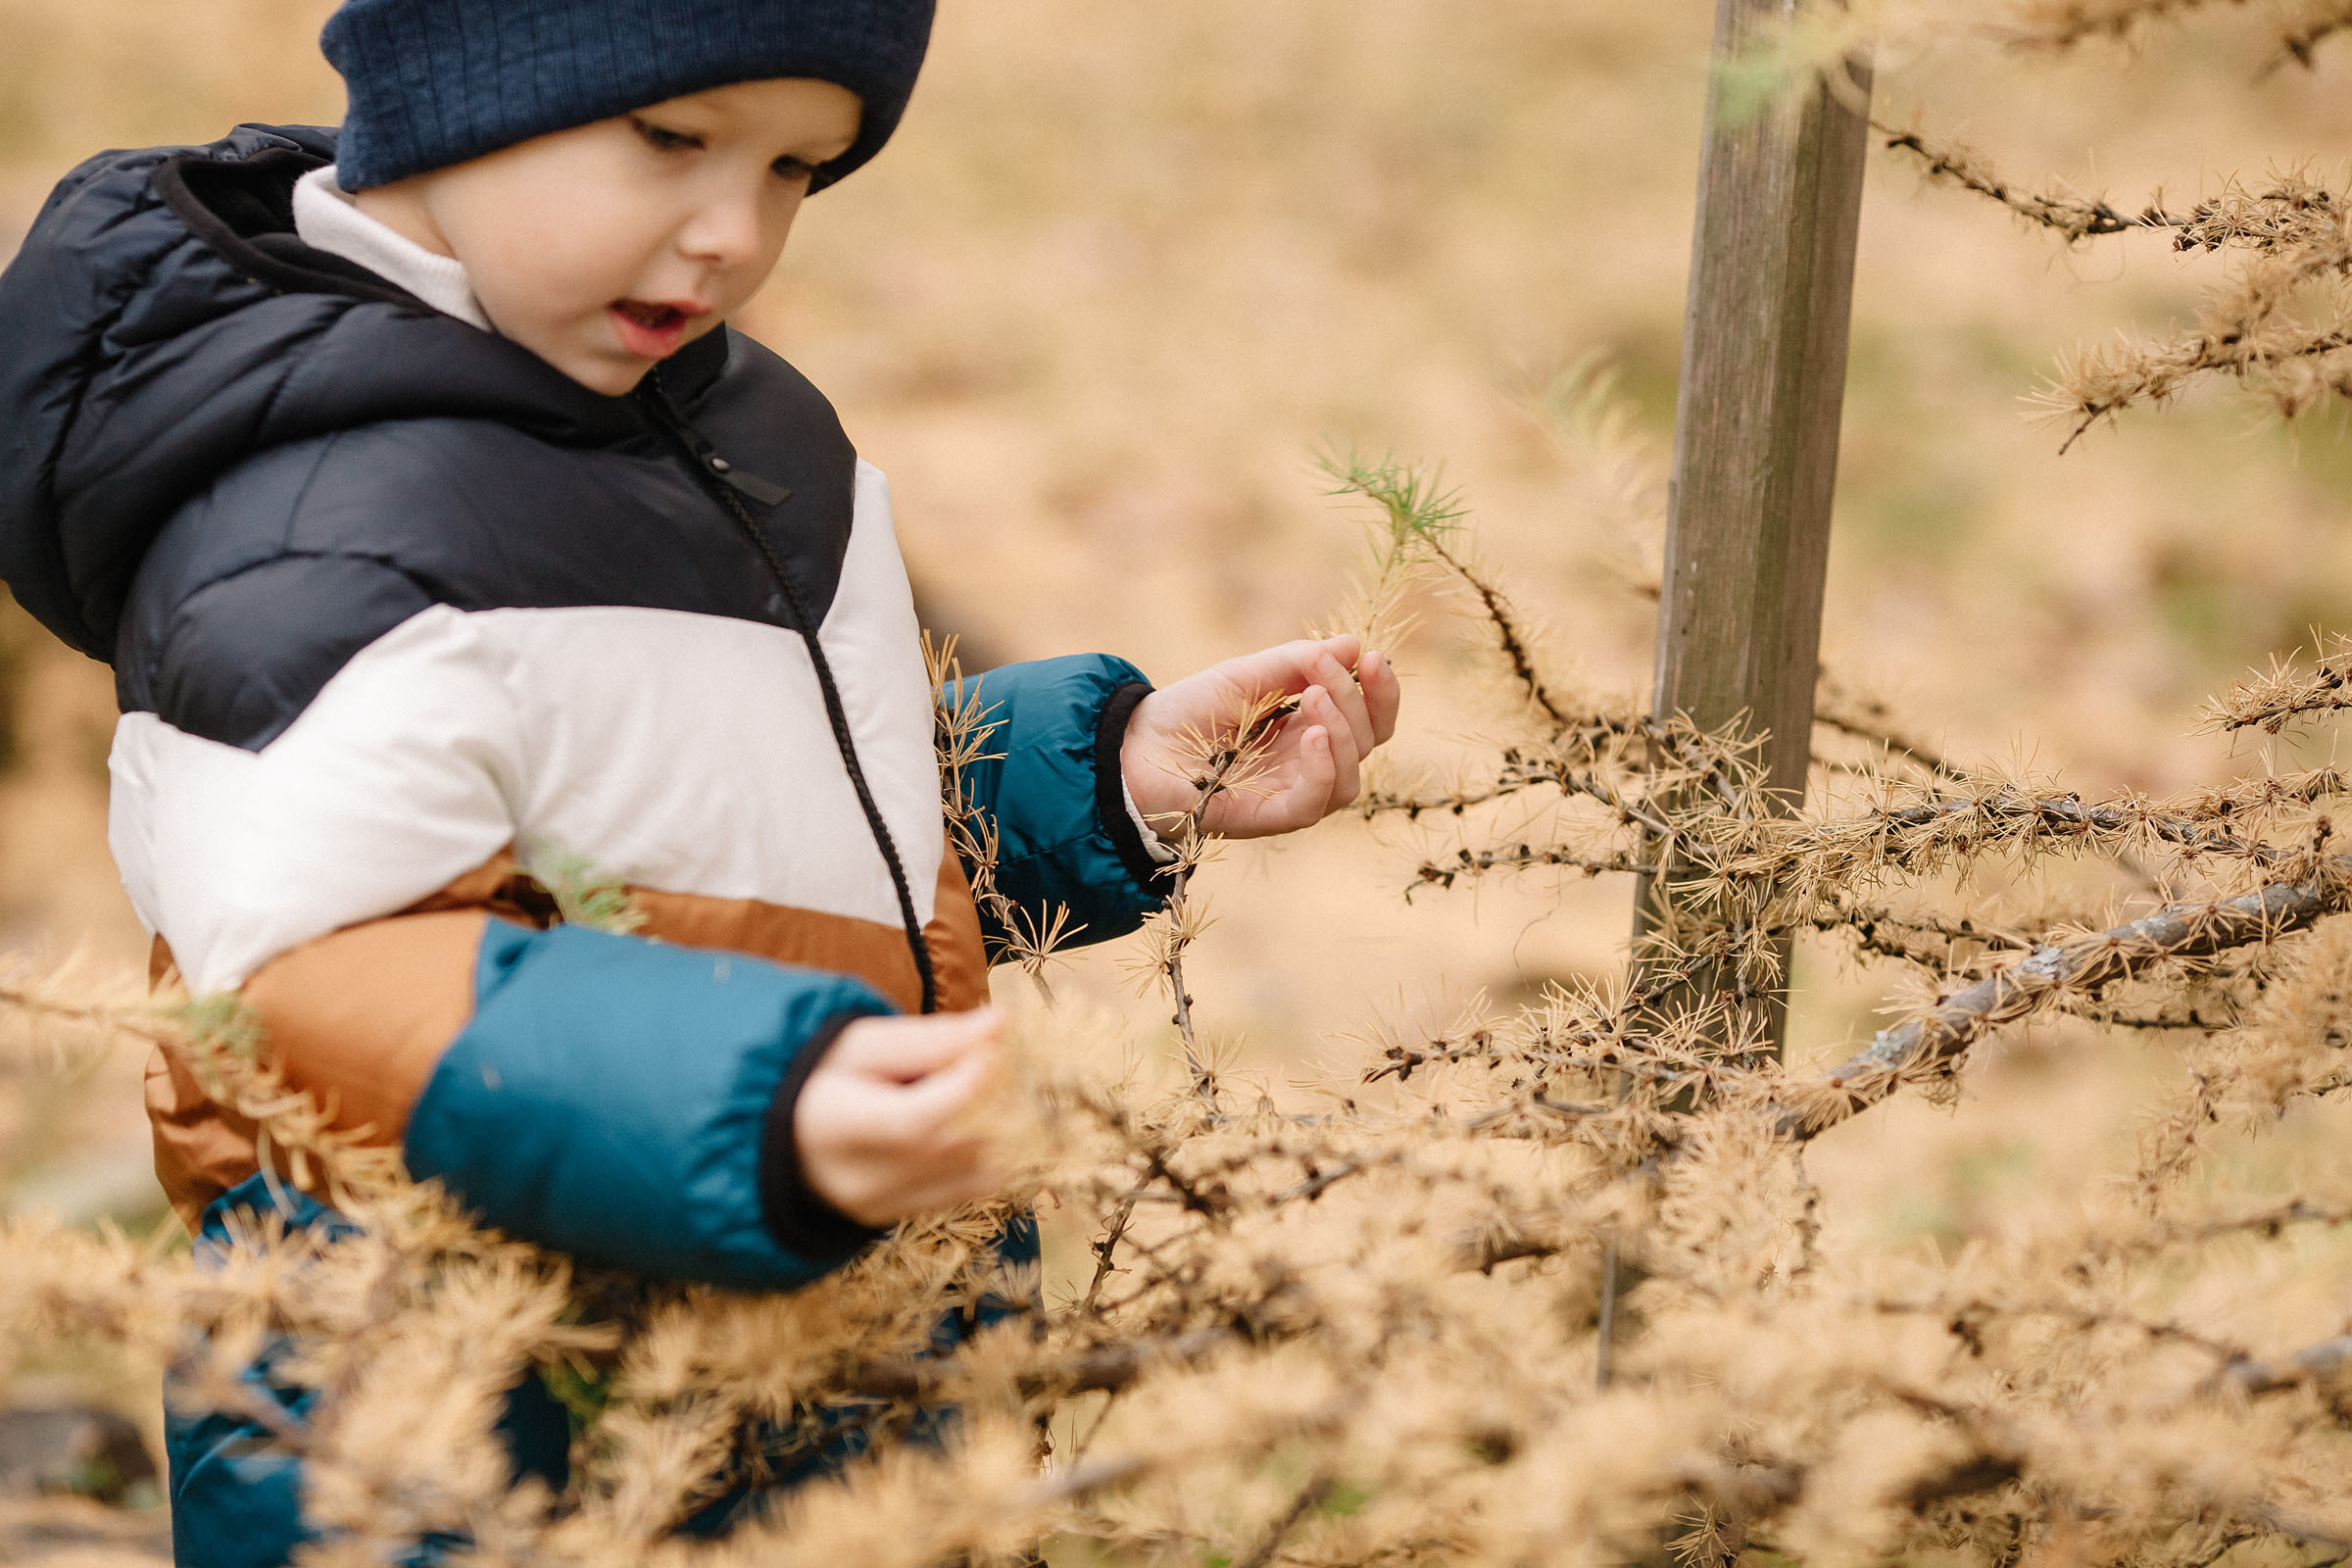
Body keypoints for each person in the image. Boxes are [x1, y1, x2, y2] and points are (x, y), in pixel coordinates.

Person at [0, 1, 1401, 1561]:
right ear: (445, 85)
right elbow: (318, 978)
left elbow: (766, 823)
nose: (733, 231)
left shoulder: (741, 430)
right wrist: (760, 1104)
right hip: (464, 1417)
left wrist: (1103, 782)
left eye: (799, 166)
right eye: (672, 139)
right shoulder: (308, 518)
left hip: (804, 1353)